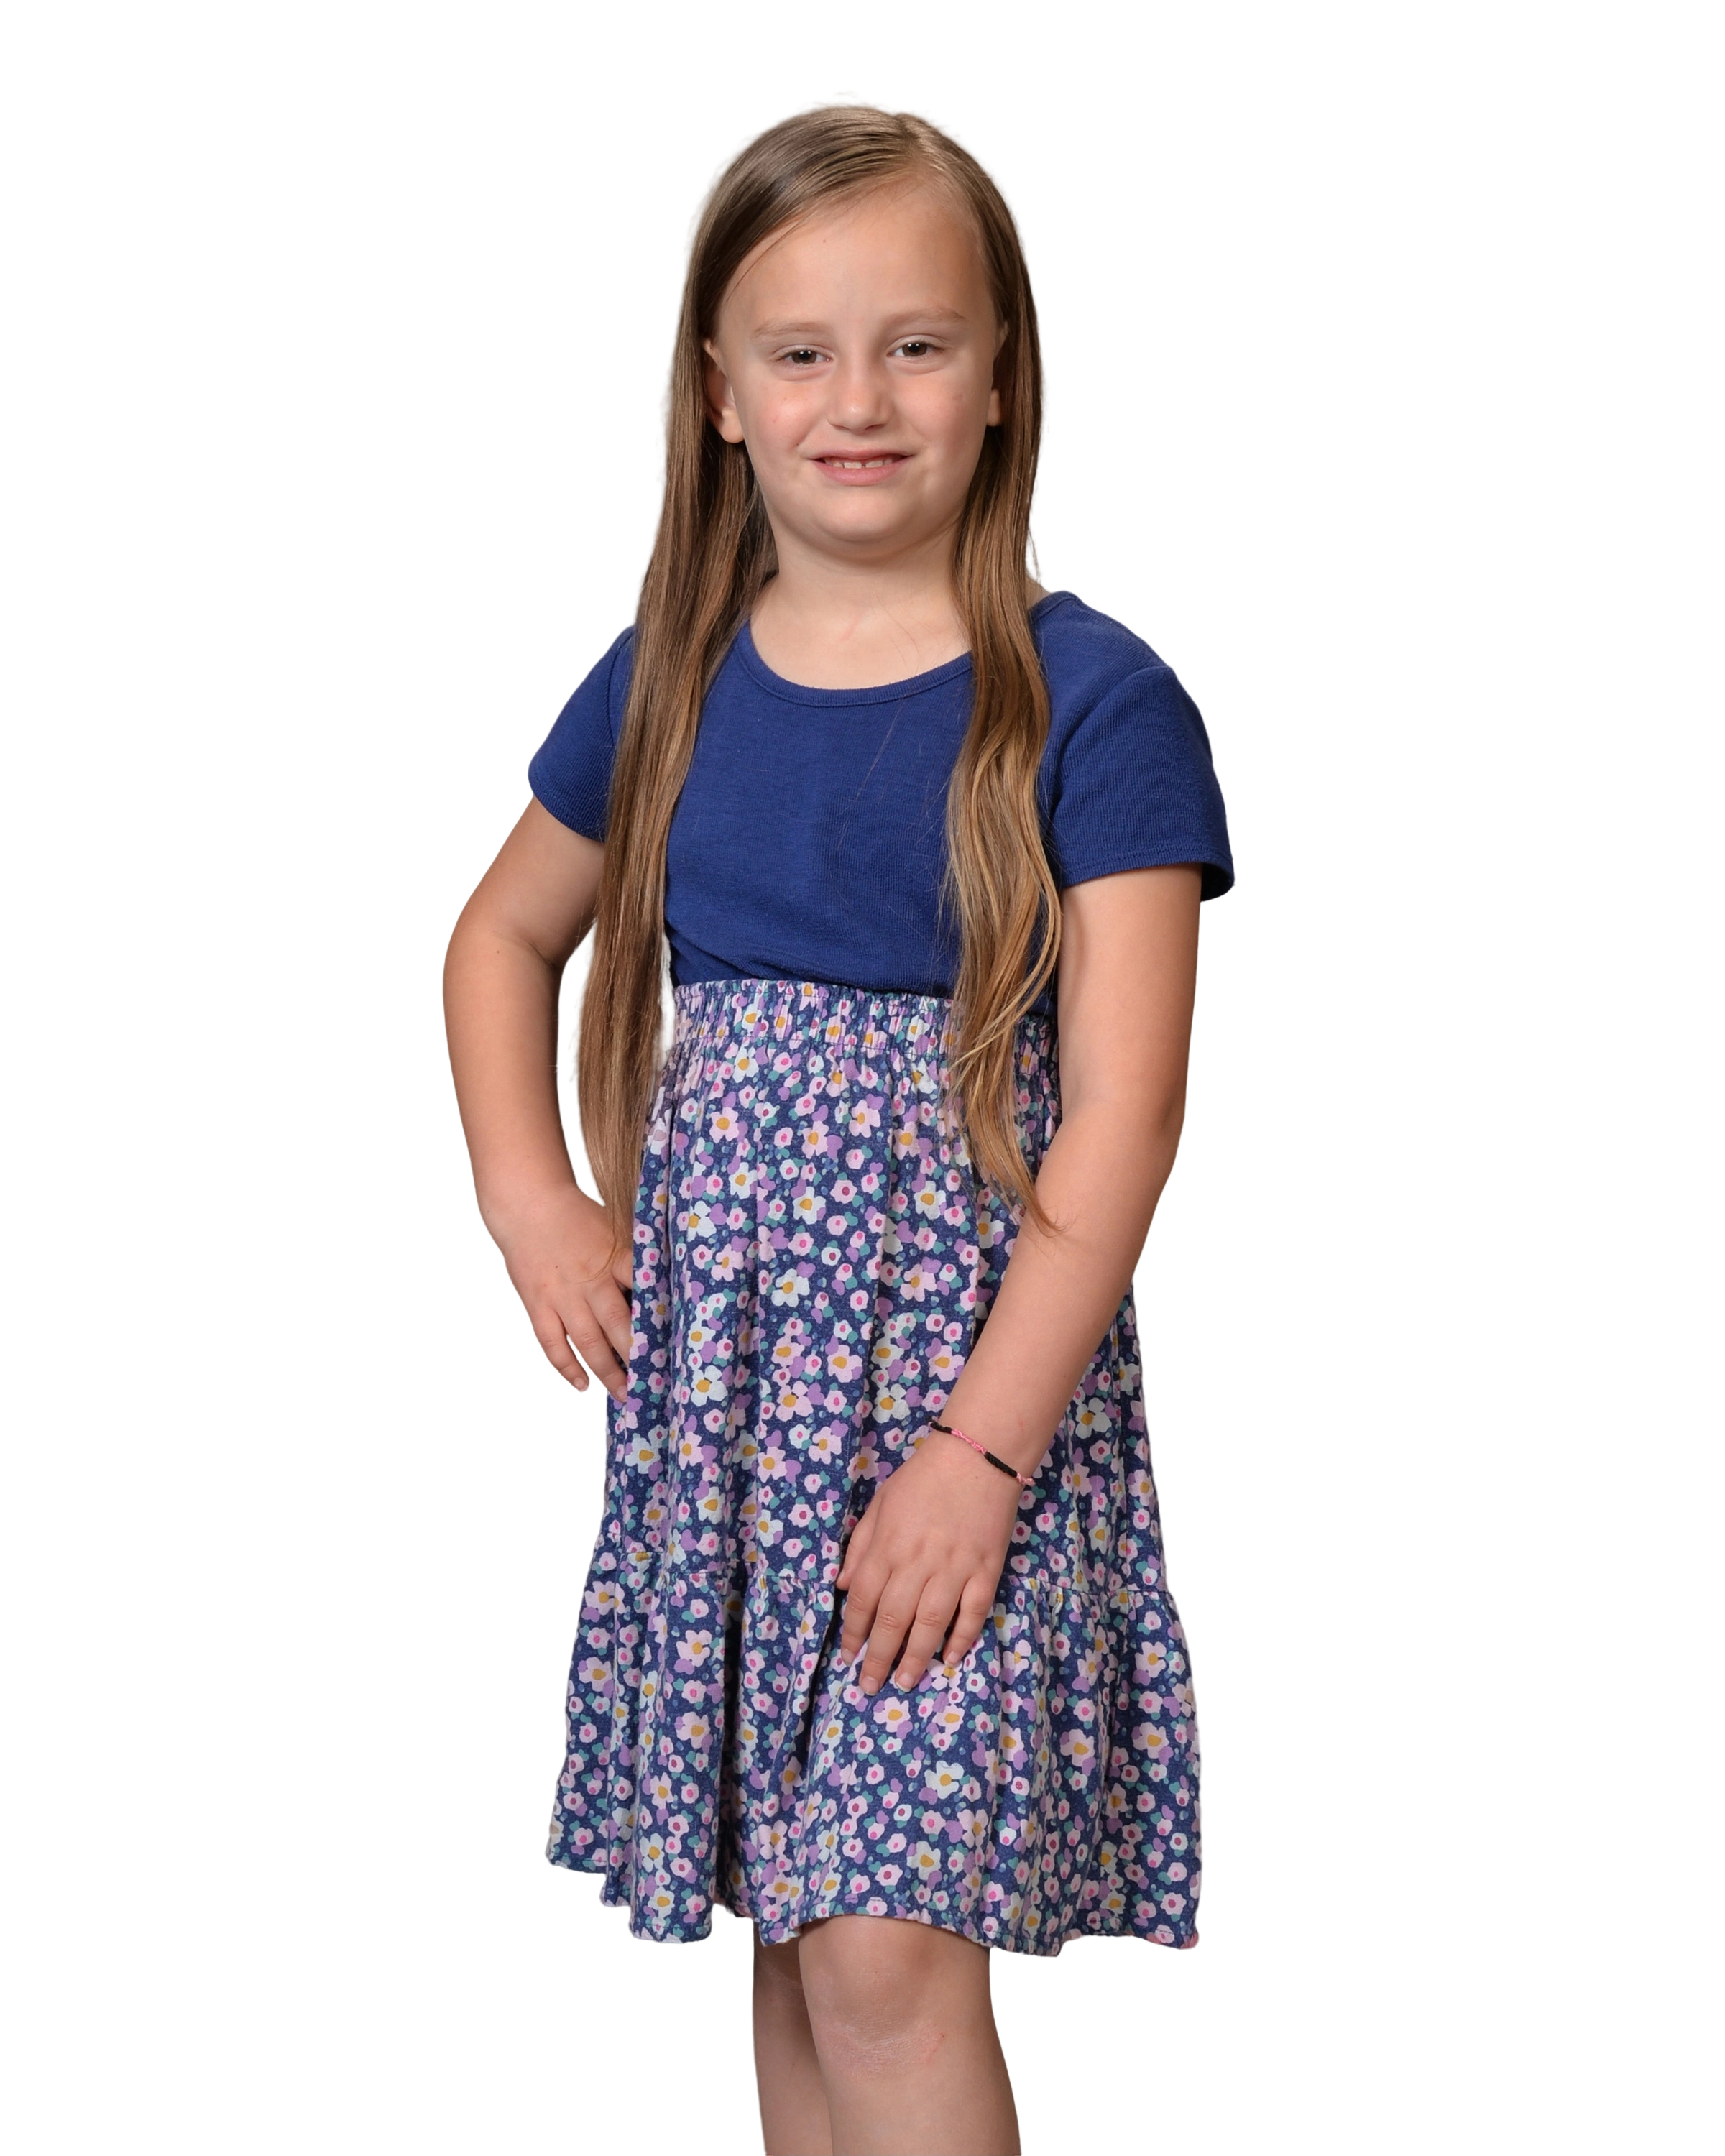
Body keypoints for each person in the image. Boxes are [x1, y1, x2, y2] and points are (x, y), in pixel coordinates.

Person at [440, 91, 1234, 2156]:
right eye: (800, 351)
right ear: (719, 395)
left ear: (1004, 377)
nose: (857, 400)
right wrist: (537, 1199)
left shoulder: (1093, 697)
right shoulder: (667, 680)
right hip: (738, 1423)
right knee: (805, 1950)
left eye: (918, 344)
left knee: (887, 1955)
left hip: (972, 1404)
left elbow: (1128, 1115)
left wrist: (980, 1456)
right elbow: (497, 942)